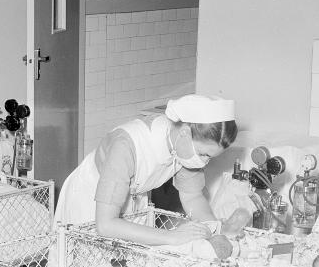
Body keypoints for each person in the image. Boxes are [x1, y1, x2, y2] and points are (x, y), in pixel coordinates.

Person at [55, 94, 239, 245]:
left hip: (134, 197)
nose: (204, 162)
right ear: (184, 133)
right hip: (93, 200)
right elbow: (105, 225)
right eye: (203, 154)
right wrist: (172, 237)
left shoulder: (184, 149)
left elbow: (193, 197)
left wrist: (212, 231)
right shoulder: (126, 145)